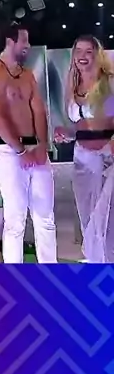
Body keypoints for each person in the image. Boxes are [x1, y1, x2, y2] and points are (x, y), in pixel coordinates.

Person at [0, 23, 57, 263]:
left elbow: (39, 111)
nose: (28, 45)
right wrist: (20, 150)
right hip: (7, 151)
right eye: (24, 40)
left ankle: (50, 271)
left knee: (45, 217)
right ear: (10, 41)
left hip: (35, 147)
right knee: (15, 220)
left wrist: (43, 145)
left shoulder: (27, 75)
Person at [54, 35, 114, 262]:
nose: (82, 56)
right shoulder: (72, 85)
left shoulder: (108, 85)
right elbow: (80, 126)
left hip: (107, 160)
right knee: (88, 221)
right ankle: (97, 269)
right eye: (78, 51)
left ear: (97, 54)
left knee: (107, 221)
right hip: (82, 161)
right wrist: (67, 133)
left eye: (88, 51)